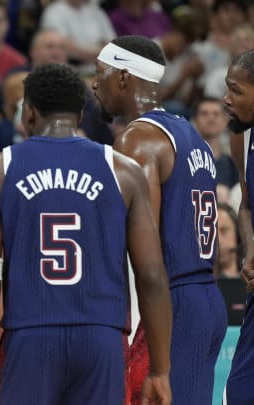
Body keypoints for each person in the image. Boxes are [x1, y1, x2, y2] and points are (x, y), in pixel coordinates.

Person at [0, 63, 173, 404]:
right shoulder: (123, 170)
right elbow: (152, 276)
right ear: (79, 115)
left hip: (30, 337)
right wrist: (160, 371)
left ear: (28, 112)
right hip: (101, 337)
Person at [92, 35, 227, 405]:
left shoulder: (137, 139)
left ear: (122, 76)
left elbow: (136, 240)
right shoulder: (193, 137)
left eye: (100, 72)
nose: (93, 82)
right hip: (207, 296)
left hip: (168, 302)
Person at [223, 48, 254, 405]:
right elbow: (246, 203)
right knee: (240, 391)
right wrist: (250, 248)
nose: (226, 99)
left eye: (235, 89)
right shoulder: (241, 135)